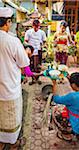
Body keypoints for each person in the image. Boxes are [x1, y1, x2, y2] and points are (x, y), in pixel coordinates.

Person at [0, 7, 30, 149]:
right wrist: (27, 52)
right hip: (9, 89)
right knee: (11, 119)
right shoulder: (12, 41)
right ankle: (13, 144)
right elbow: (24, 63)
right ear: (7, 22)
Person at [53, 72, 79, 142]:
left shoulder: (73, 97)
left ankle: (68, 134)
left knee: (55, 111)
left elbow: (56, 99)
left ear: (74, 85)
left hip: (78, 127)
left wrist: (54, 83)